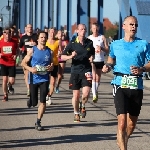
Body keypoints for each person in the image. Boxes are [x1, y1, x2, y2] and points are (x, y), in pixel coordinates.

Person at [102, 16, 150, 150]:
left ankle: (124, 139)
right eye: (131, 24)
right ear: (123, 26)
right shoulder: (115, 44)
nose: (134, 27)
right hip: (119, 83)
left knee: (131, 124)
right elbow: (111, 59)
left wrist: (142, 69)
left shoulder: (144, 44)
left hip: (136, 85)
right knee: (122, 122)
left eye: (136, 25)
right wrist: (108, 66)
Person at [61, 24, 95, 122]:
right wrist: (70, 56)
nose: (83, 31)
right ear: (77, 31)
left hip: (86, 71)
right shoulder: (72, 43)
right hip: (75, 71)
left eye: (85, 29)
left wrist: (92, 58)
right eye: (81, 29)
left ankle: (83, 105)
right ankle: (76, 113)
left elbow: (92, 54)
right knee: (76, 96)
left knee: (86, 94)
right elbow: (62, 57)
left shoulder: (90, 42)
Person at [21, 31, 53, 131]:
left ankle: (38, 122)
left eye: (45, 37)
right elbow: (23, 63)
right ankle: (30, 100)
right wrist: (31, 69)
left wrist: (51, 67)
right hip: (34, 79)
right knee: (34, 103)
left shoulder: (49, 51)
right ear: (38, 39)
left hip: (44, 79)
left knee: (43, 102)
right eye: (42, 37)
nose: (43, 39)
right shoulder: (32, 50)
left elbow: (52, 65)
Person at [88, 22, 109, 103]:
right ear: (91, 29)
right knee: (93, 76)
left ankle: (95, 91)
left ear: (99, 28)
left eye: (96, 28)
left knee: (98, 78)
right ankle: (94, 95)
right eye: (93, 28)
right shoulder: (89, 38)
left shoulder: (102, 37)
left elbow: (107, 49)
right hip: (93, 60)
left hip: (100, 59)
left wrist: (101, 48)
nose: (95, 30)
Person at [0, 27, 18, 101]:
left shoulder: (14, 42)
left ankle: (9, 85)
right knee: (4, 79)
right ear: (3, 34)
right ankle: (5, 95)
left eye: (9, 33)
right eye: (5, 33)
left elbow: (18, 51)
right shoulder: (0, 42)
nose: (7, 35)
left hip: (11, 63)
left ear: (11, 34)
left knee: (12, 81)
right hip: (3, 62)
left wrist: (16, 55)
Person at [19, 24, 37, 96]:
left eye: (31, 27)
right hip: (26, 57)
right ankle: (29, 89)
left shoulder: (35, 37)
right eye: (29, 27)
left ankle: (34, 86)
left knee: (34, 73)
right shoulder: (23, 38)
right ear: (26, 28)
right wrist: (22, 51)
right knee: (26, 73)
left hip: (34, 57)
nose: (30, 29)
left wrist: (35, 44)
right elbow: (20, 46)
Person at [46, 27, 62, 105]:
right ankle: (45, 94)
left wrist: (59, 53)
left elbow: (60, 51)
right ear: (48, 32)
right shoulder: (45, 41)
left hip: (54, 64)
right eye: (51, 32)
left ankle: (49, 96)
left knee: (52, 82)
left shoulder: (57, 42)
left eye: (53, 32)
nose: (52, 34)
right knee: (45, 82)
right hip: (45, 64)